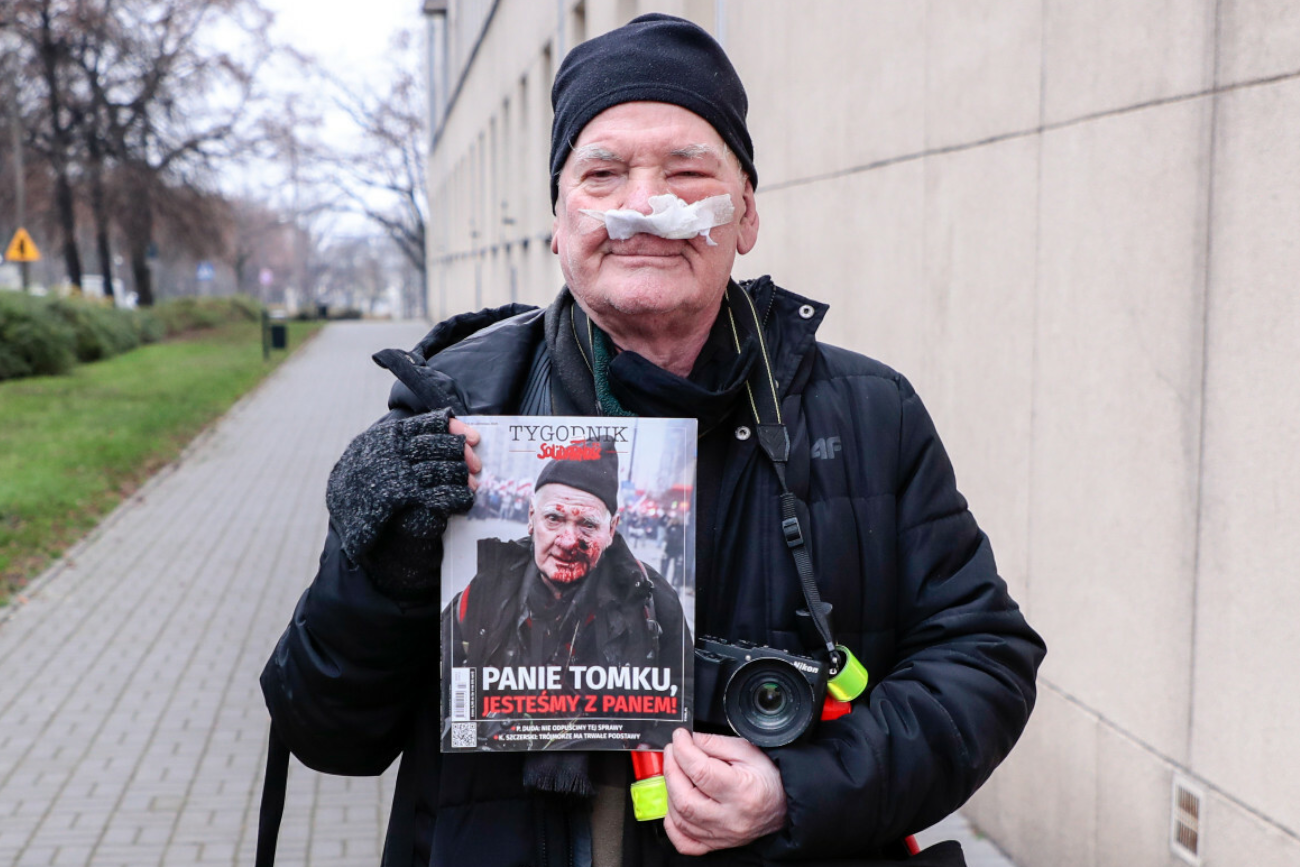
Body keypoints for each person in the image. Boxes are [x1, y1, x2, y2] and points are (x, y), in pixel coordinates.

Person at [261, 13, 1045, 867]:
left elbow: (986, 658)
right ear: (559, 222)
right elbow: (326, 728)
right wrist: (381, 567)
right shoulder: (453, 405)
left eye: (687, 172)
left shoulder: (868, 412)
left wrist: (802, 787)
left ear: (745, 214)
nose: (645, 206)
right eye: (603, 174)